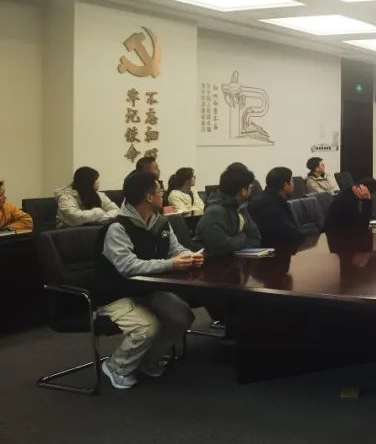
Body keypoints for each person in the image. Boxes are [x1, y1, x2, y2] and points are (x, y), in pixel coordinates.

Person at [94, 171, 201, 390]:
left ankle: (147, 360)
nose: (164, 195)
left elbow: (175, 250)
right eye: (160, 191)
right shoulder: (117, 228)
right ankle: (116, 366)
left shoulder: (160, 222)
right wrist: (171, 264)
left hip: (148, 290)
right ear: (149, 197)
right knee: (146, 327)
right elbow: (128, 267)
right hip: (115, 294)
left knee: (181, 317)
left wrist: (189, 257)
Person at [195, 165, 261, 257]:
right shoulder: (214, 212)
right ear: (243, 191)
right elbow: (221, 247)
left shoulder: (240, 207)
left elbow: (256, 238)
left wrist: (236, 241)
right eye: (250, 187)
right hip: (214, 263)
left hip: (235, 260)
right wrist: (243, 236)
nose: (251, 190)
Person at [248, 167, 319, 247]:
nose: (293, 185)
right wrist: (315, 230)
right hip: (274, 249)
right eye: (292, 181)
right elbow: (291, 233)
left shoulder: (264, 199)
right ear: (285, 185)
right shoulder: (273, 207)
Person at [56, 167, 120, 227]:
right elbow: (76, 218)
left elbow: (116, 210)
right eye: (96, 179)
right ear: (88, 181)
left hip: (94, 228)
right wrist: (97, 213)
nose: (98, 182)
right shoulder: (66, 197)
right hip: (71, 231)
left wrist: (99, 220)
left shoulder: (99, 195)